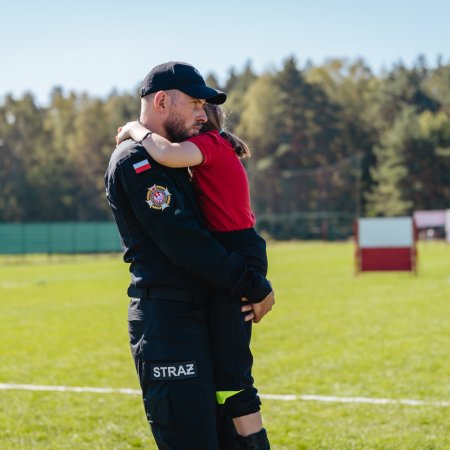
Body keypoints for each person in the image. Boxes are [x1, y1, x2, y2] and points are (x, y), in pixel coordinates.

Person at [104, 61, 274, 450]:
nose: (204, 113)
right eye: (196, 103)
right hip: (168, 325)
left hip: (199, 315)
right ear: (162, 101)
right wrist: (253, 284)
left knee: (229, 428)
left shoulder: (178, 159)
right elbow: (185, 242)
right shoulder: (136, 160)